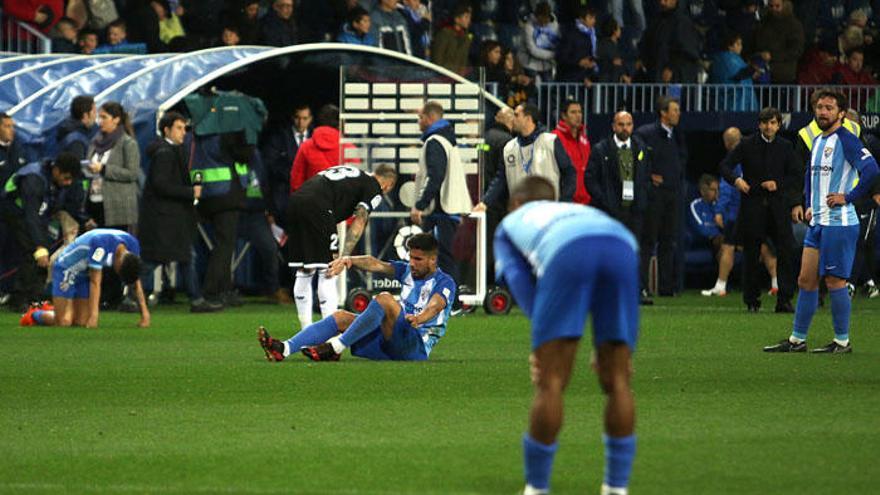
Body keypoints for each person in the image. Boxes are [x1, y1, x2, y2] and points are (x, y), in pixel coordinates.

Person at [493, 176, 637, 495]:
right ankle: (616, 487)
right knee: (618, 379)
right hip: (623, 244)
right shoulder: (572, 209)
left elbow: (519, 280)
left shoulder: (509, 225)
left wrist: (542, 341)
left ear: (516, 203)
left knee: (552, 381)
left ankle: (537, 487)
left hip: (567, 251)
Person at [764, 89, 879, 353]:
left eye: (829, 108)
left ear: (840, 113)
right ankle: (797, 339)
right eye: (819, 107)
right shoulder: (817, 140)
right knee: (806, 280)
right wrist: (808, 204)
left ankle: (842, 341)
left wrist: (848, 196)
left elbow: (872, 169)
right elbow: (809, 173)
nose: (823, 112)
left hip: (839, 223)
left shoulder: (847, 140)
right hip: (818, 222)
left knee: (835, 281)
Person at [258, 232, 455, 362]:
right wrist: (349, 260)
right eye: (411, 258)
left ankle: (336, 346)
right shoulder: (406, 271)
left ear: (432, 259)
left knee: (385, 299)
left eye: (418, 259)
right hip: (390, 341)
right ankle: (283, 349)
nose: (412, 263)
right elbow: (375, 263)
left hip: (415, 346)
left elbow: (436, 306)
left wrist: (419, 319)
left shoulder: (444, 282)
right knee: (341, 317)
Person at [287, 164, 398, 327]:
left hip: (296, 202)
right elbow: (360, 219)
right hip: (319, 207)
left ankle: (306, 329)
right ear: (387, 185)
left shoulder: (354, 173)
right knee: (330, 270)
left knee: (305, 270)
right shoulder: (374, 187)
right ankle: (328, 331)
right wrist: (344, 257)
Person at [718, 108, 798, 312]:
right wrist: (737, 181)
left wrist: (777, 184)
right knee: (751, 254)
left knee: (786, 251)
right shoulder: (746, 144)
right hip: (752, 205)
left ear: (779, 125)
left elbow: (796, 176)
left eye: (772, 123)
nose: (768, 126)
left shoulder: (786, 147)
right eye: (764, 123)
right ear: (759, 124)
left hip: (778, 206)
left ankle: (784, 299)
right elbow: (725, 166)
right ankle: (751, 300)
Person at [139, 111, 218, 313]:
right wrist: (190, 192)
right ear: (167, 130)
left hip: (171, 217)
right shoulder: (165, 153)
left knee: (183, 257)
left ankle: (196, 299)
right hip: (165, 218)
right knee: (156, 260)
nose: (184, 132)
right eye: (179, 128)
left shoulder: (170, 150)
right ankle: (131, 295)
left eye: (185, 128)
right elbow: (160, 185)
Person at [584, 110, 652, 305]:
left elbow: (646, 175)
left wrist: (643, 196)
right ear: (613, 126)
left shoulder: (641, 148)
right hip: (610, 210)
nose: (625, 128)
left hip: (634, 210)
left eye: (628, 124)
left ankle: (636, 290)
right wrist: (603, 200)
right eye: (621, 124)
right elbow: (590, 178)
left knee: (633, 249)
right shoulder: (601, 149)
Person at [702, 127, 778, 298]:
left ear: (727, 143)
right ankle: (776, 283)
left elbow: (727, 187)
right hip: (759, 209)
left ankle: (721, 285)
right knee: (764, 246)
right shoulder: (756, 152)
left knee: (728, 246)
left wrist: (720, 211)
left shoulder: (734, 159)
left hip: (737, 213)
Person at [20, 228, 149, 328]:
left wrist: (144, 314)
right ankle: (34, 314)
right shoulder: (100, 245)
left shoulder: (133, 246)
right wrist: (94, 316)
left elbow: (135, 278)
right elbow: (95, 282)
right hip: (66, 268)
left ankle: (59, 308)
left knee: (80, 322)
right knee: (64, 322)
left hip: (84, 273)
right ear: (118, 262)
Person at [1, 153, 80, 311]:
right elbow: (31, 216)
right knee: (33, 252)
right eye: (66, 178)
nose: (68, 183)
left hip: (33, 217)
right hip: (13, 214)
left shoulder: (54, 180)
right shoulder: (34, 180)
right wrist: (39, 245)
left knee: (44, 253)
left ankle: (35, 298)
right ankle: (19, 299)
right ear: (56, 170)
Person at [411, 101, 472, 289]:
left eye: (421, 118)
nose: (419, 122)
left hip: (441, 210)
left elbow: (435, 176)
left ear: (430, 118)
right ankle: (445, 299)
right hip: (447, 208)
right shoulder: (446, 140)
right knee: (443, 256)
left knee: (442, 256)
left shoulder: (435, 142)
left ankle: (450, 301)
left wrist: (420, 204)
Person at [476, 103, 575, 212]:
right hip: (520, 213)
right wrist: (485, 202)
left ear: (528, 119)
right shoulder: (509, 147)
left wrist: (564, 201)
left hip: (548, 212)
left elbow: (569, 172)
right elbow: (500, 180)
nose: (512, 119)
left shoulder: (550, 141)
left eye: (517, 115)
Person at [635, 95, 686, 297]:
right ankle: (643, 286)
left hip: (672, 194)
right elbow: (638, 157)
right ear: (663, 113)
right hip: (653, 196)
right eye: (674, 110)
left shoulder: (677, 135)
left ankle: (665, 287)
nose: (678, 113)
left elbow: (682, 159)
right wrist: (648, 176)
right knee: (648, 240)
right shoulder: (646, 133)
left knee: (668, 240)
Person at [261, 104, 312, 229]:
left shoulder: (316, 137)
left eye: (305, 118)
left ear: (310, 119)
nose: (300, 122)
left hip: (311, 197)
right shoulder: (278, 137)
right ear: (292, 117)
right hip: (283, 198)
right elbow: (269, 164)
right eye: (297, 118)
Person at [551, 99, 591, 205]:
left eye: (580, 112)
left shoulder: (584, 139)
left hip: (585, 201)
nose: (578, 116)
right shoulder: (554, 138)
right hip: (565, 201)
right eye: (573, 112)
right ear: (564, 116)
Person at [518, 2, 559, 83]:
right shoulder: (528, 27)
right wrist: (553, 54)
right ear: (536, 17)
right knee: (534, 88)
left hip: (547, 65)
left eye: (545, 21)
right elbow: (533, 50)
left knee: (548, 90)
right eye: (541, 21)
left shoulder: (555, 26)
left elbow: (556, 44)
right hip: (530, 65)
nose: (543, 24)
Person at [430, 3, 472, 75]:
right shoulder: (444, 34)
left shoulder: (466, 38)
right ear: (457, 19)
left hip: (459, 77)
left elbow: (463, 60)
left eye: (469, 17)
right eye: (466, 17)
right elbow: (437, 59)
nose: (469, 20)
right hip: (443, 76)